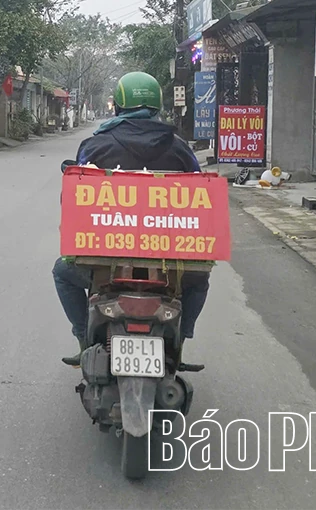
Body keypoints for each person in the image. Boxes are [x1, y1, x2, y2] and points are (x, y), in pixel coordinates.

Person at [52, 71, 210, 368]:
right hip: (169, 262)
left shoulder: (94, 146)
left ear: (120, 104)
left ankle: (84, 341)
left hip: (104, 261)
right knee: (199, 280)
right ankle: (180, 343)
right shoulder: (179, 147)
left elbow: (71, 201)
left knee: (63, 272)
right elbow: (201, 192)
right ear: (157, 105)